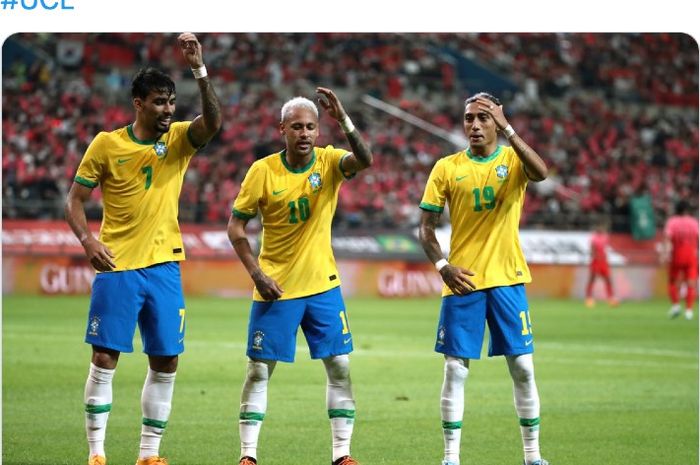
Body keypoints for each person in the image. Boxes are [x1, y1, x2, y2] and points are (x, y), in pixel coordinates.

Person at [65, 32, 222, 465]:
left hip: (165, 268)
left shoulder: (177, 142)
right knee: (105, 356)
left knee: (166, 360)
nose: (168, 110)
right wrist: (87, 239)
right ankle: (96, 454)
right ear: (138, 103)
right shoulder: (106, 144)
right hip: (118, 266)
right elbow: (74, 199)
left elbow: (212, 123)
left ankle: (148, 455)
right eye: (158, 102)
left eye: (171, 102)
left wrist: (199, 70)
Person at [226, 88, 373, 465]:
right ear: (282, 130)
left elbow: (365, 159)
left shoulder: (329, 163)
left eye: (311, 127)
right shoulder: (262, 171)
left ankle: (342, 454)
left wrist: (344, 119)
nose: (304, 133)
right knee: (259, 369)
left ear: (319, 131)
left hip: (323, 286)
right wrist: (257, 274)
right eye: (297, 127)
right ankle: (248, 455)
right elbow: (236, 228)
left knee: (339, 366)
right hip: (276, 287)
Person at [418, 92, 550, 465]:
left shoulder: (513, 158)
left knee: (523, 367)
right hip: (464, 282)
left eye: (483, 118)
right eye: (468, 118)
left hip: (508, 278)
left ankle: (532, 456)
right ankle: (450, 458)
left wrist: (510, 128)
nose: (474, 125)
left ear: (496, 122)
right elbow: (425, 229)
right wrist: (443, 266)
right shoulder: (446, 167)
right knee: (456, 369)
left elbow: (541, 172)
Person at [661, 199, 698, 320]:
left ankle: (676, 305)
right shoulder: (694, 222)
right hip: (691, 256)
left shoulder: (672, 222)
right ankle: (689, 311)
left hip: (677, 255)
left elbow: (667, 239)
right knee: (691, 283)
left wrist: (665, 254)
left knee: (672, 282)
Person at [584, 219, 618, 308]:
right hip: (596, 261)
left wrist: (605, 258)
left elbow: (606, 249)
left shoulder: (605, 237)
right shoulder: (594, 237)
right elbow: (592, 250)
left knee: (608, 279)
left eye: (603, 227)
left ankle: (611, 298)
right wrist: (595, 256)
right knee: (592, 279)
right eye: (600, 227)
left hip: (603, 261)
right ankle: (589, 298)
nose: (601, 228)